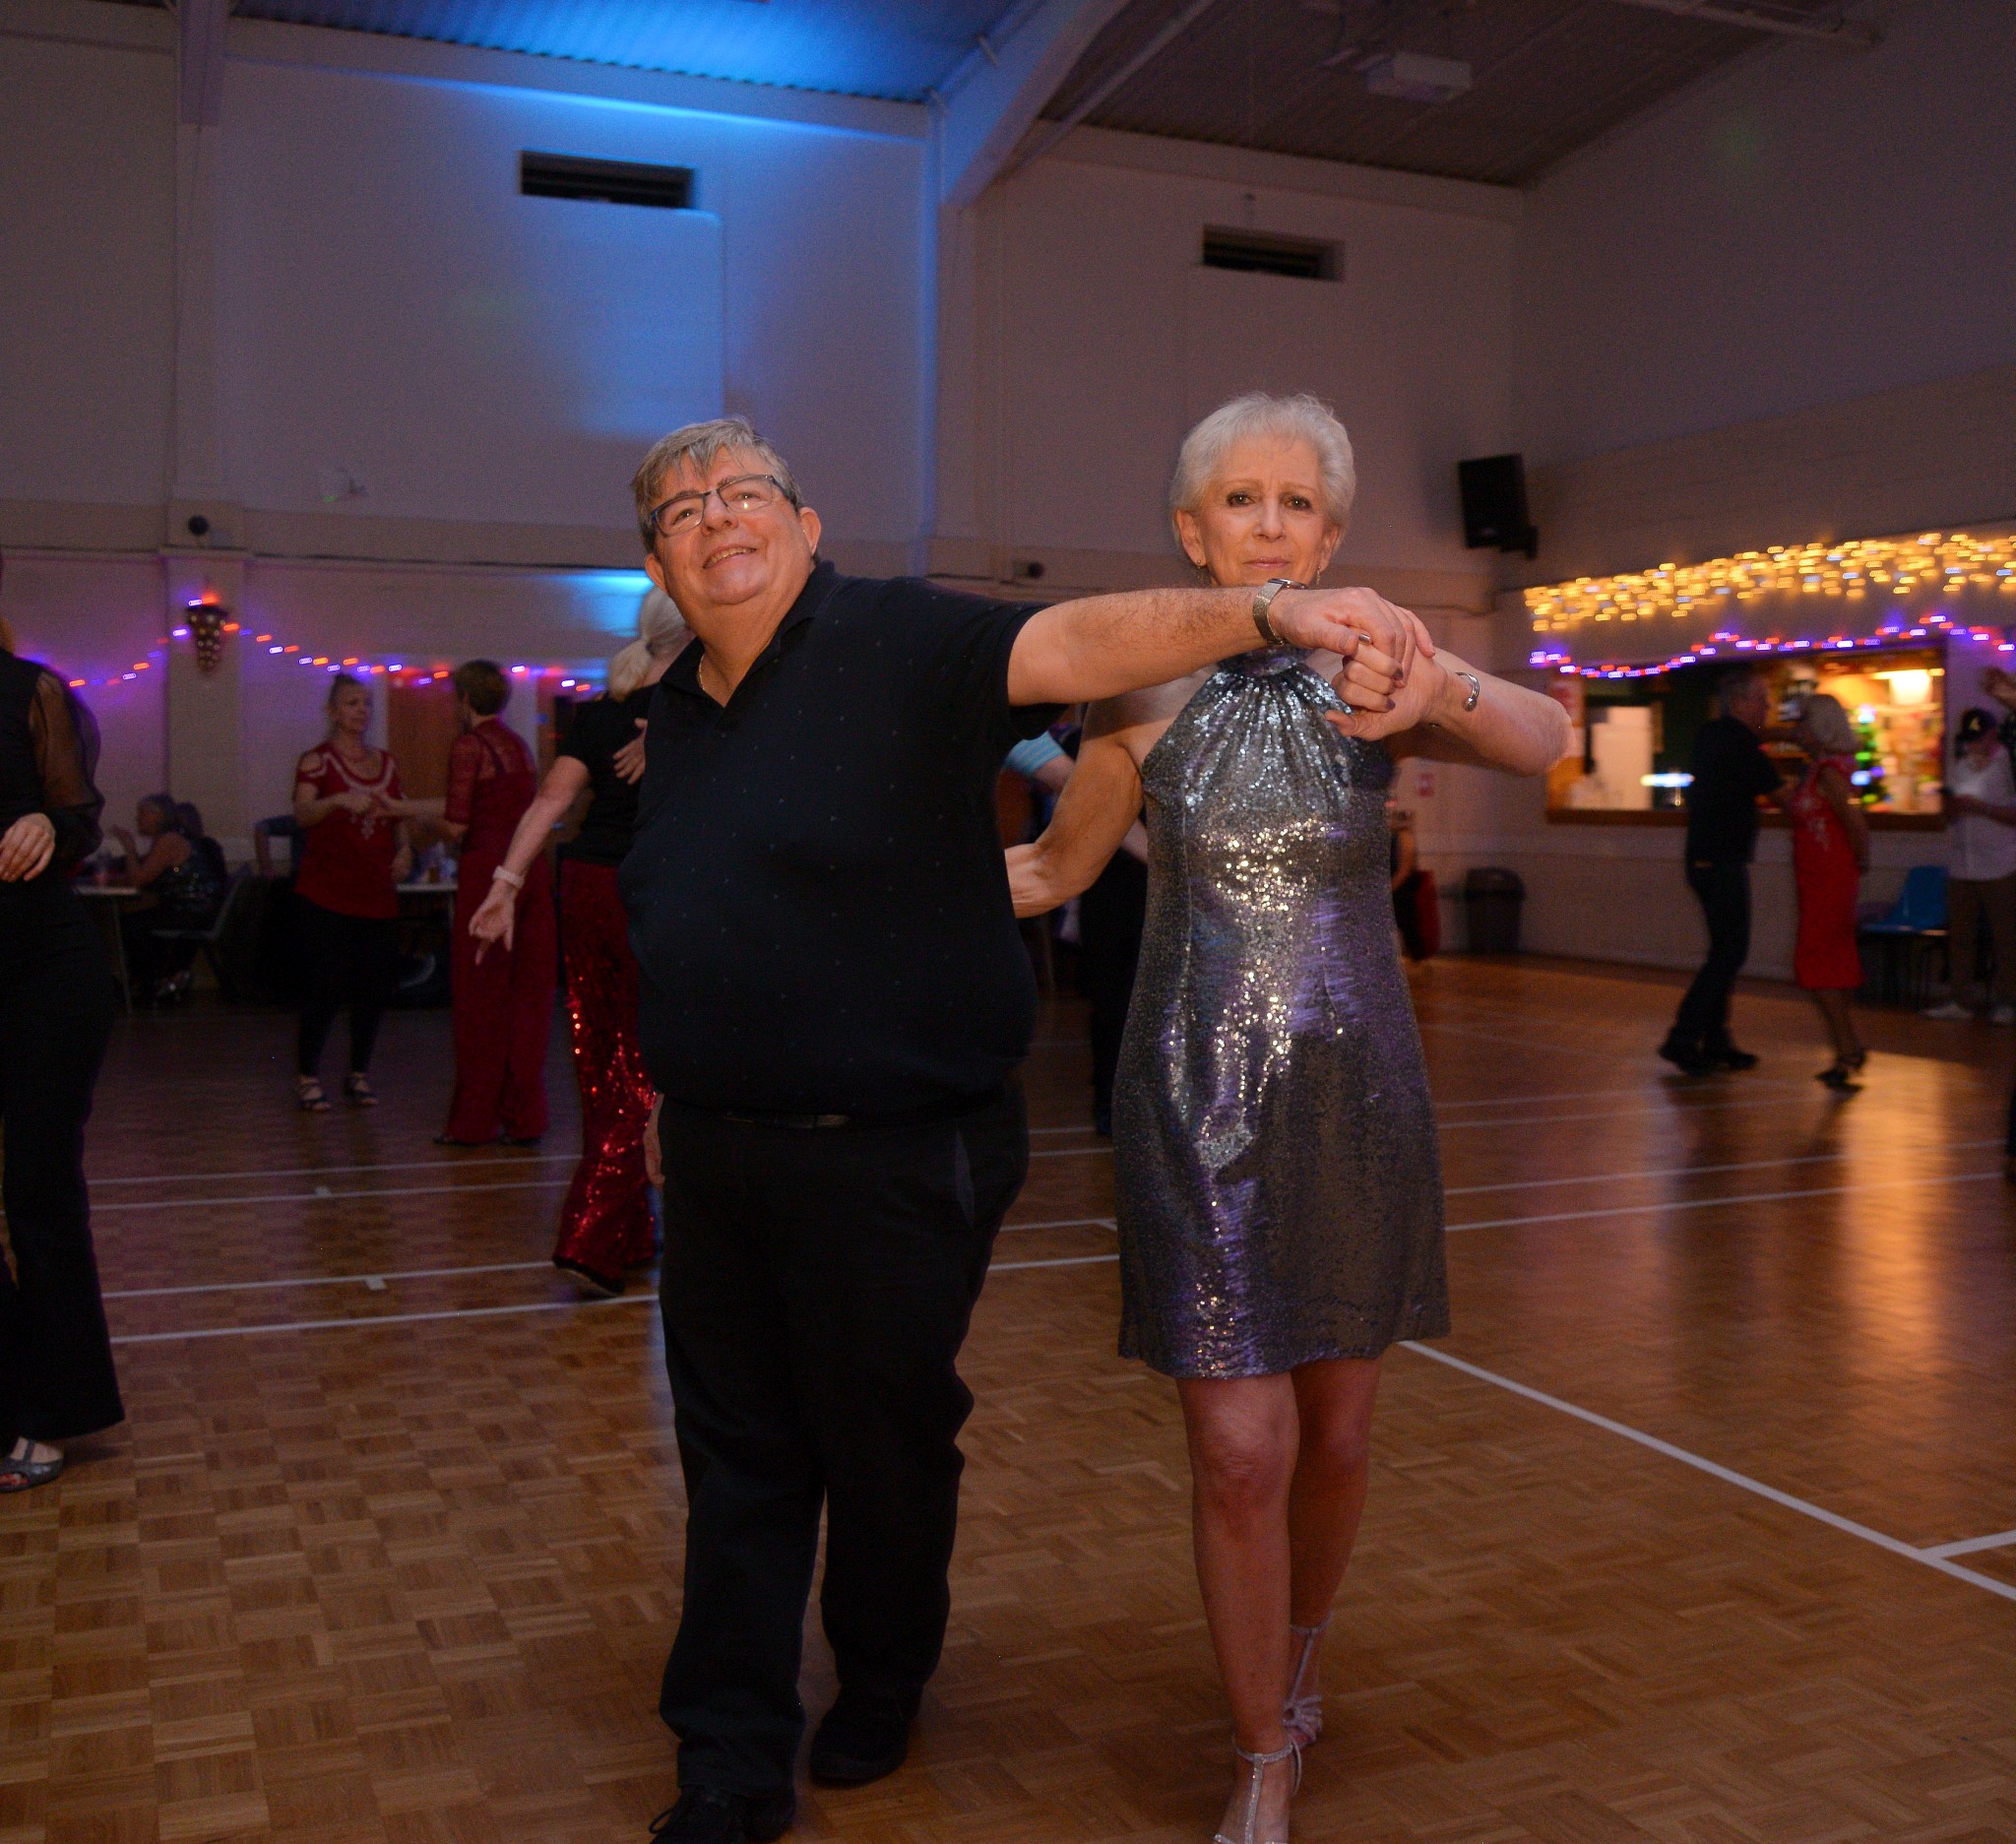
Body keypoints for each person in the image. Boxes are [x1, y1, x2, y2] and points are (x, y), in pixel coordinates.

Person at [616, 414, 1432, 1844]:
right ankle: (730, 1757)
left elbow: (1075, 643)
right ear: (656, 564)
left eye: (744, 492)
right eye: (682, 511)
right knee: (734, 1453)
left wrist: (1265, 611)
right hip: (722, 1145)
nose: (717, 519)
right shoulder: (672, 712)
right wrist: (668, 1099)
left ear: (807, 526)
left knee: (881, 1442)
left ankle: (882, 1676)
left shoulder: (899, 637)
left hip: (896, 1144)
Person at [1006, 392, 1569, 1844]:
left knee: (1337, 1436)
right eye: (1239, 500)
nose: (1268, 523)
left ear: (1328, 536)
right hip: (1193, 1094)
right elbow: (1053, 872)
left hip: (1353, 1093)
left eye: (1295, 502)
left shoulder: (1375, 662)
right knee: (1238, 1449)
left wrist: (1431, 687)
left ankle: (1302, 1650)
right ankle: (1260, 1748)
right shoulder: (1140, 688)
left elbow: (1544, 731)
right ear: (1193, 535)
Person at [469, 597, 689, 1291]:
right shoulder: (700, 705)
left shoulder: (603, 709)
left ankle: (630, 1229)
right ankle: (590, 1237)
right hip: (648, 890)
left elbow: (551, 802)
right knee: (643, 1063)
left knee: (601, 1059)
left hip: (588, 885)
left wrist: (504, 884)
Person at [0, 594, 122, 1493]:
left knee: (37, 1190)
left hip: (43, 969)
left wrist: (50, 822)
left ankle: (49, 1410)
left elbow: (79, 812)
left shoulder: (27, 692)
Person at [389, 662, 558, 1146]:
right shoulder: (517, 744)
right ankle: (524, 1118)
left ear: (464, 700)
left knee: (480, 998)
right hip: (528, 871)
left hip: (487, 874)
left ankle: (474, 1121)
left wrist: (418, 824)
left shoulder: (468, 746)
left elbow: (457, 823)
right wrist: (405, 808)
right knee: (526, 998)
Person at [1660, 667, 1789, 1076]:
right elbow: (1784, 796)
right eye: (1762, 699)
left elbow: (1755, 750)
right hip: (1721, 860)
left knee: (1724, 951)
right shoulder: (1739, 744)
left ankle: (1715, 1041)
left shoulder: (1714, 735)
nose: (1767, 707)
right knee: (1729, 952)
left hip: (1706, 857)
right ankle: (1683, 1038)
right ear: (1741, 702)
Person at [292, 673, 410, 1111]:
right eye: (351, 703)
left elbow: (398, 815)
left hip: (375, 891)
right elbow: (302, 813)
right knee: (324, 987)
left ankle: (359, 1073)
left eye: (366, 703)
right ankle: (307, 1075)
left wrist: (404, 850)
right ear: (333, 711)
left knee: (372, 989)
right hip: (328, 892)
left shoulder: (386, 763)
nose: (361, 711)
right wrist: (337, 801)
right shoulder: (317, 761)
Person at [1785, 693, 1869, 1087]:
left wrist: (1860, 862)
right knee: (1824, 965)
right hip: (1816, 879)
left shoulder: (1830, 773)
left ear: (1819, 726)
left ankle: (1848, 1048)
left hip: (1830, 880)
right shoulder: (1818, 770)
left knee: (1820, 965)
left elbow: (1854, 822)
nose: (1797, 728)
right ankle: (1846, 1051)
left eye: (1803, 721)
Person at [1925, 707, 2016, 1023]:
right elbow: (1947, 815)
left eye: (1979, 738)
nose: (1974, 745)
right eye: (1969, 739)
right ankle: (1960, 1000)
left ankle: (2008, 1002)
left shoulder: (2008, 767)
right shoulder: (1961, 766)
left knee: (2005, 938)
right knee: (1961, 938)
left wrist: (1981, 807)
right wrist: (1951, 806)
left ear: (1993, 735)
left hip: (2000, 864)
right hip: (1962, 864)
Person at [109, 793, 224, 1000]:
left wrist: (129, 849)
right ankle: (149, 980)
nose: (137, 818)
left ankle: (146, 982)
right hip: (189, 909)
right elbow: (143, 876)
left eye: (142, 813)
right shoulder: (168, 839)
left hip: (194, 911)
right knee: (133, 918)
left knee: (131, 924)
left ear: (158, 815)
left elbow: (138, 881)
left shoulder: (169, 841)